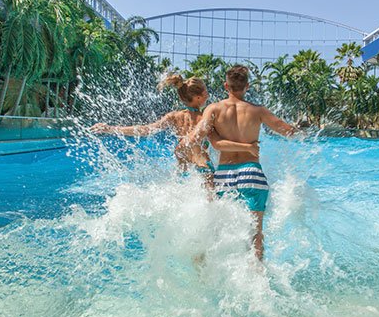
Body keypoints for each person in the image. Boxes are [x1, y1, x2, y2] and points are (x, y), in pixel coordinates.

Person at [187, 65, 297, 260]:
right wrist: (303, 130)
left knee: (218, 229)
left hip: (224, 175)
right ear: (247, 86)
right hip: (252, 172)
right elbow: (287, 131)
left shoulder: (213, 109)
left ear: (225, 86)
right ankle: (257, 278)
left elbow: (196, 136)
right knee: (256, 234)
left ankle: (203, 267)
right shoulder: (258, 111)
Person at [89, 75, 258, 185]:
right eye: (205, 91)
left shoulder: (173, 117)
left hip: (183, 173)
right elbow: (220, 142)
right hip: (203, 168)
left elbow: (146, 129)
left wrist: (111, 128)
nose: (208, 94)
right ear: (198, 98)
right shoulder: (206, 118)